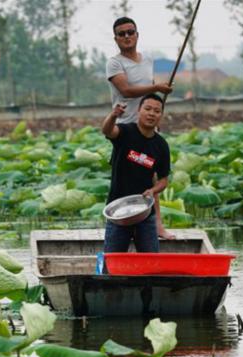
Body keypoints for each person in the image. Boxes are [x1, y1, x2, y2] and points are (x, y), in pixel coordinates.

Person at [106, 17, 174, 239]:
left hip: (148, 127)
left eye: (130, 32)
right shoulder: (115, 63)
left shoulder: (147, 61)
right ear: (116, 39)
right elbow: (126, 90)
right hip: (126, 128)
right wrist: (156, 85)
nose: (127, 37)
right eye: (121, 34)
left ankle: (157, 226)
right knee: (125, 177)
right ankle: (121, 222)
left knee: (152, 179)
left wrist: (157, 112)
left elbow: (151, 96)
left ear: (137, 34)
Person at [102, 93, 171, 253]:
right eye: (147, 109)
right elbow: (107, 130)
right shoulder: (125, 132)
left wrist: (153, 191)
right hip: (118, 210)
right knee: (112, 261)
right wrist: (113, 115)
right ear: (139, 111)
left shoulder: (161, 145)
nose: (151, 114)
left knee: (151, 262)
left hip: (145, 211)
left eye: (156, 111)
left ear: (161, 115)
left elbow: (163, 180)